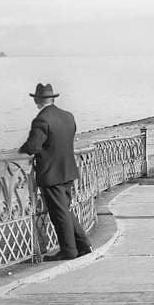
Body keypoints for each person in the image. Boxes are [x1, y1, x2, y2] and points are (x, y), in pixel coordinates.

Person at [19, 82, 91, 261]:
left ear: (37, 100)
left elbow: (33, 146)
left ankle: (69, 251)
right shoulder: (68, 116)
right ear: (52, 98)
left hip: (51, 174)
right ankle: (83, 245)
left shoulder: (41, 120)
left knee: (59, 214)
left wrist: (20, 151)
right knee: (64, 210)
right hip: (68, 171)